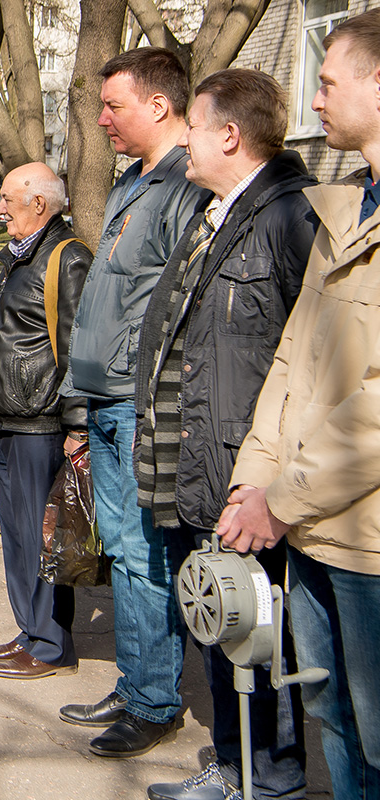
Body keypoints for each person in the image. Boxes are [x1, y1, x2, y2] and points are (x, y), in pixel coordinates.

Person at [137, 69, 315, 800]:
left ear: (228, 136)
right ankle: (237, 766)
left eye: (193, 129)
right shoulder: (215, 213)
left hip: (248, 477)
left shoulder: (287, 217)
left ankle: (267, 779)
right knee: (224, 630)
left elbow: (313, 358)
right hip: (200, 469)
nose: (183, 142)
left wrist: (273, 479)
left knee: (258, 637)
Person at [217, 12, 380, 797]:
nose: (314, 100)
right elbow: (293, 363)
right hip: (312, 528)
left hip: (369, 545)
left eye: (328, 79)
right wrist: (256, 482)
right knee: (333, 718)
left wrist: (279, 497)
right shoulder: (345, 211)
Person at [58, 47, 211, 757]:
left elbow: (180, 303)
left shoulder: (190, 182)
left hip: (144, 404)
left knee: (148, 554)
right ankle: (136, 679)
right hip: (105, 399)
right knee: (122, 551)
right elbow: (109, 297)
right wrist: (80, 404)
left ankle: (155, 702)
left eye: (113, 105)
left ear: (158, 105)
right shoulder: (131, 180)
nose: (102, 119)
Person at [0, 163, 91, 680]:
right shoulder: (18, 258)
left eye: (7, 199)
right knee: (18, 536)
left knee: (43, 537)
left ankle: (49, 643)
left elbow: (79, 350)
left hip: (42, 424)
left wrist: (78, 427)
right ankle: (29, 629)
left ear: (38, 205)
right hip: (7, 419)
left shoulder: (67, 259)